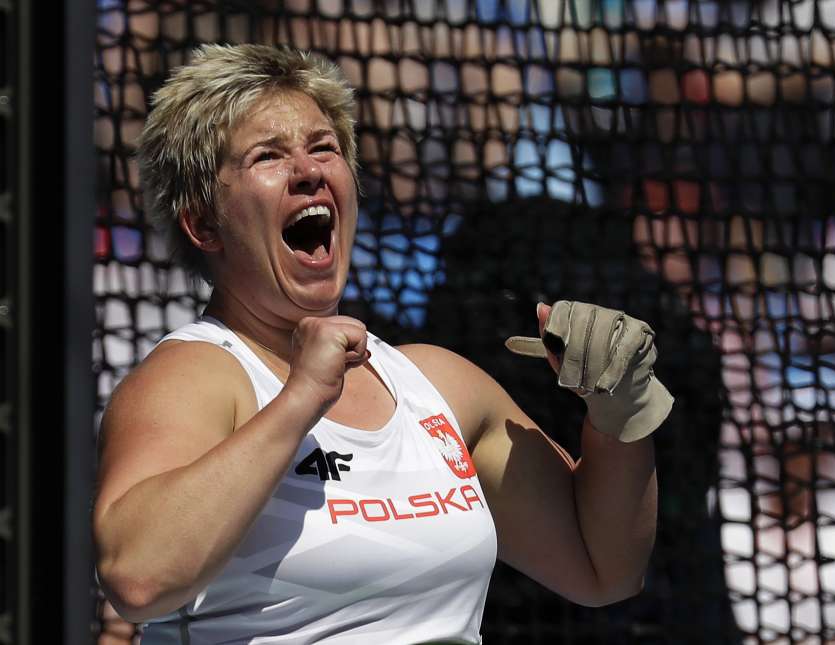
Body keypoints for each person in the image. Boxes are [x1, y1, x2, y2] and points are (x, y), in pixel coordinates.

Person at [92, 43, 673, 643]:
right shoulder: (194, 376)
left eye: (324, 147)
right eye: (268, 156)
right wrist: (301, 399)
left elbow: (604, 568)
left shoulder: (438, 384)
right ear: (204, 223)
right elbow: (137, 579)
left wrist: (618, 413)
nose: (309, 170)